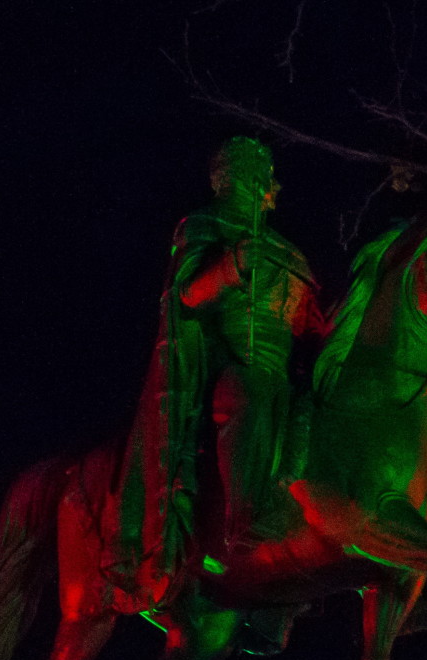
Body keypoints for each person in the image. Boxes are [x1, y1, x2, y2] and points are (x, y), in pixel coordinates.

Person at [101, 135, 328, 610]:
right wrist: (231, 267)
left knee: (321, 410)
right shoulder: (205, 224)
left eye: (265, 178)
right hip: (224, 360)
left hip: (283, 365)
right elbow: (188, 294)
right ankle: (243, 519)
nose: (268, 188)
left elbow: (311, 321)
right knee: (248, 389)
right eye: (256, 176)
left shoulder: (289, 250)